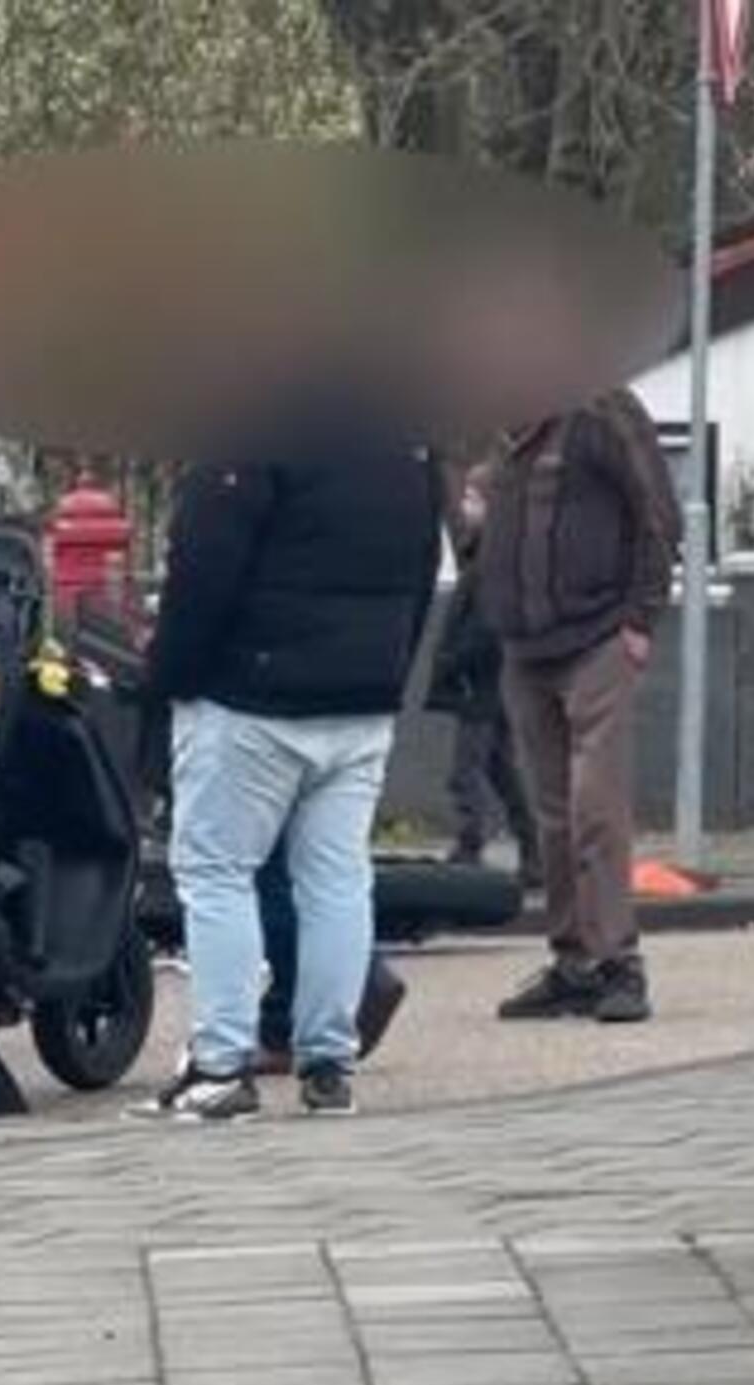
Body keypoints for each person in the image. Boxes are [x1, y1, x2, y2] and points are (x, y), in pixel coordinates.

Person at [137, 395, 443, 1121]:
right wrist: (388, 673)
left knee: (217, 874)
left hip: (251, 696)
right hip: (361, 699)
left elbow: (202, 573)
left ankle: (220, 1066)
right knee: (336, 879)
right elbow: (425, 566)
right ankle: (329, 1063)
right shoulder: (408, 444)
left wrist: (166, 680)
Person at [476, 386, 678, 1025]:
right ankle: (573, 963)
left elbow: (658, 513)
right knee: (554, 818)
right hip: (524, 649)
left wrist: (641, 619)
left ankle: (620, 963)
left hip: (597, 639)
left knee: (596, 811)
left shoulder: (602, 410)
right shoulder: (495, 423)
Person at [439, 466, 541, 883]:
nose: (464, 507)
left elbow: (484, 624)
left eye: (472, 498)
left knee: (468, 768)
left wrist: (454, 663)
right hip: (493, 678)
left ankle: (471, 844)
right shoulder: (491, 553)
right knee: (501, 767)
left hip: (480, 681)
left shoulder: (491, 559)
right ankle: (535, 848)